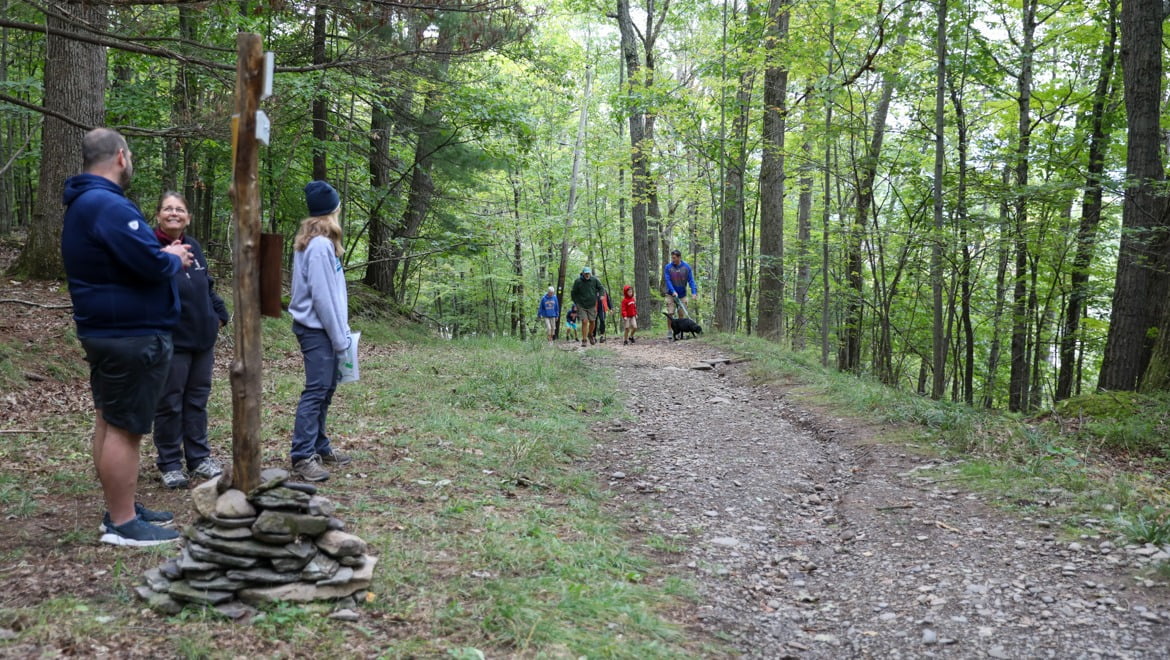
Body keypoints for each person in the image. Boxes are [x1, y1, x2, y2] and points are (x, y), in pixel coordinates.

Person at [62, 127, 192, 547]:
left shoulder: (88, 204)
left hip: (112, 332)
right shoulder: (107, 205)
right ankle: (122, 522)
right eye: (130, 156)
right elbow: (149, 263)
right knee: (125, 428)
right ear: (121, 157)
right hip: (129, 336)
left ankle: (122, 508)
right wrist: (171, 256)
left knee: (109, 418)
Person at [150, 192, 230, 489]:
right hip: (171, 340)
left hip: (202, 340)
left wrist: (219, 315)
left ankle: (198, 457)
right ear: (158, 214)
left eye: (180, 209)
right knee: (169, 403)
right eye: (168, 208)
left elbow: (206, 286)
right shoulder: (149, 247)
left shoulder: (193, 246)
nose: (174, 213)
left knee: (197, 400)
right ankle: (170, 463)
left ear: (188, 217)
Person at [288, 180, 354, 482]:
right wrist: (340, 338)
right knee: (316, 390)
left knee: (326, 388)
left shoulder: (321, 244)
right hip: (317, 330)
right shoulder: (318, 247)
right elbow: (323, 297)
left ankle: (319, 444)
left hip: (324, 330)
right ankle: (302, 455)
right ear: (333, 210)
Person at [570, 266, 603, 347]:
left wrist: (601, 295)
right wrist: (576, 303)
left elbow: (601, 288)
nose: (587, 275)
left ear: (590, 273)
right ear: (583, 273)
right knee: (584, 321)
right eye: (586, 273)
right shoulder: (578, 281)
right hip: (581, 305)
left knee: (592, 321)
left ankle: (590, 334)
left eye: (588, 273)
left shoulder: (594, 280)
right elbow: (573, 293)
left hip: (592, 304)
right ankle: (584, 340)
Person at [663, 249, 698, 319]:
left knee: (681, 314)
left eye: (674, 258)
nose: (673, 260)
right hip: (670, 294)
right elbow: (668, 280)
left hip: (682, 294)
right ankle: (670, 330)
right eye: (672, 258)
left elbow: (691, 280)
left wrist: (694, 292)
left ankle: (680, 330)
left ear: (679, 257)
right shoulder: (668, 267)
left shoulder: (686, 267)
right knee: (670, 313)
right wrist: (673, 291)